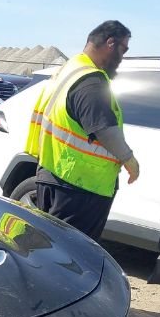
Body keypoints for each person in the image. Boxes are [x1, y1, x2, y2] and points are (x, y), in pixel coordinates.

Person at [25, 20, 140, 241]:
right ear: (110, 43)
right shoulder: (91, 81)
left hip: (54, 173)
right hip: (81, 186)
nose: (122, 57)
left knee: (51, 248)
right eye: (123, 49)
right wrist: (130, 160)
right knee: (71, 254)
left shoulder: (69, 70)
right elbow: (104, 128)